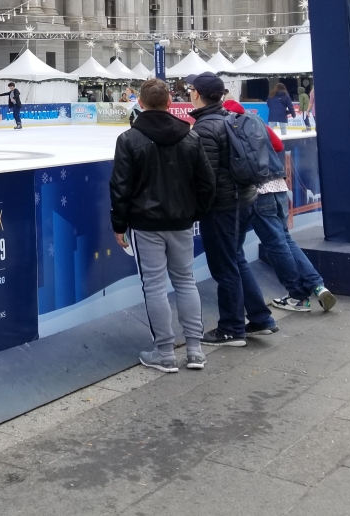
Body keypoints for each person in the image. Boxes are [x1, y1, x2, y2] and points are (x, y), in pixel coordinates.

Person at [111, 78, 215, 372]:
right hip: (180, 222)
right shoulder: (190, 137)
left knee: (155, 286)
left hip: (146, 225)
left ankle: (165, 351)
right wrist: (193, 213)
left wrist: (119, 224)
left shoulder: (129, 140)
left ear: (140, 104)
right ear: (170, 103)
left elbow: (120, 188)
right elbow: (207, 184)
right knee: (185, 280)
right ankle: (194, 349)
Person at [186, 72, 277, 346]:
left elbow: (207, 178)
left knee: (224, 267)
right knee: (236, 259)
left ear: (197, 94)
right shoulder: (229, 119)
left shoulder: (204, 128)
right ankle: (261, 318)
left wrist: (197, 209)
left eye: (191, 89)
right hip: (244, 199)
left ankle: (231, 328)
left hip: (224, 207)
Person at [224, 100, 336, 314]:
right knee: (285, 239)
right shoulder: (254, 120)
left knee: (275, 245)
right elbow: (277, 145)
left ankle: (298, 295)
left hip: (257, 189)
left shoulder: (228, 124)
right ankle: (317, 284)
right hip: (278, 185)